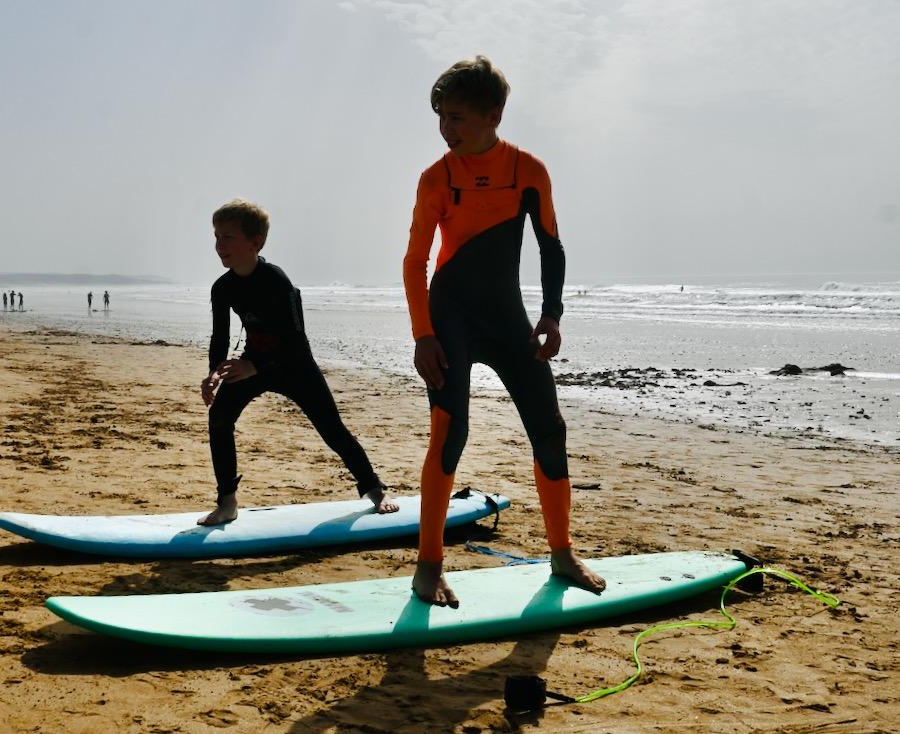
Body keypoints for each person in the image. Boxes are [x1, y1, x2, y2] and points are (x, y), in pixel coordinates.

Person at [402, 56, 606, 607]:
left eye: (458, 117)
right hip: (450, 317)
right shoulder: (436, 178)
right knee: (451, 433)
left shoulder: (528, 170)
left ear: (494, 115)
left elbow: (551, 246)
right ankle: (428, 566)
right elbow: (415, 259)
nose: (446, 128)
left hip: (507, 315)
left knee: (550, 426)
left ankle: (562, 553)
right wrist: (423, 334)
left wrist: (553, 314)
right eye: (441, 116)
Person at [199, 198, 397, 526]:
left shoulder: (276, 281)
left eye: (228, 237)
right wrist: (213, 373)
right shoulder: (223, 288)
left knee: (332, 429)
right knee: (219, 419)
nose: (219, 244)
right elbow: (220, 337)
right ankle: (227, 503)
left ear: (255, 242)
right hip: (254, 362)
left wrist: (255, 367)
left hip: (294, 365)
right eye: (216, 236)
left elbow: (294, 339)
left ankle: (375, 490)